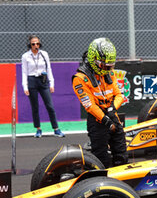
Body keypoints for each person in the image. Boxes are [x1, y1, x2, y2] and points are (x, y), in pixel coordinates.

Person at [72, 38, 128, 168]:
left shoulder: (110, 73)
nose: (107, 69)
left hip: (111, 114)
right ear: (94, 60)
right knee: (101, 159)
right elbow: (90, 105)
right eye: (104, 66)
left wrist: (113, 108)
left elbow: (119, 94)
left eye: (110, 66)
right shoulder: (79, 79)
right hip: (97, 121)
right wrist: (105, 120)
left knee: (122, 154)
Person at [21, 35, 65, 138]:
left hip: (43, 80)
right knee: (35, 106)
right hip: (32, 80)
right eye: (33, 44)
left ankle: (56, 129)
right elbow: (24, 72)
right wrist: (25, 86)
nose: (36, 46)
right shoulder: (25, 56)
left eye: (37, 43)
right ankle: (38, 129)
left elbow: (49, 68)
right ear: (30, 45)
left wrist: (52, 83)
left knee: (50, 105)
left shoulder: (44, 54)